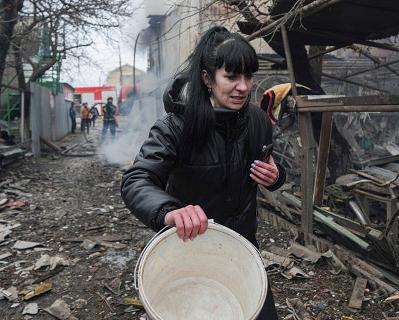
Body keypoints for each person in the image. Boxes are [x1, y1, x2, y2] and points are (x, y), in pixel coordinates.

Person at [120, 26, 286, 319]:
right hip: (190, 252)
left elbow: (268, 165)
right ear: (208, 78)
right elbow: (137, 179)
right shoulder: (176, 126)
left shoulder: (258, 121)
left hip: (243, 252)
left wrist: (276, 177)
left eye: (248, 76)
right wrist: (170, 212)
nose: (243, 87)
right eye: (232, 77)